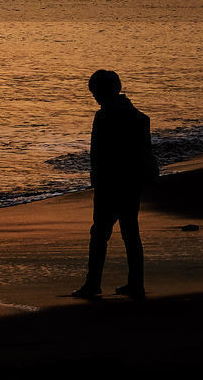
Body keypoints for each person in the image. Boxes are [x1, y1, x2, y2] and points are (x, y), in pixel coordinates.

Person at [71, 69, 157, 300]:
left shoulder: (104, 117)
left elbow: (98, 154)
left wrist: (96, 179)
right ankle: (135, 283)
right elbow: (145, 151)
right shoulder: (137, 116)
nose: (94, 97)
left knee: (99, 234)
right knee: (130, 232)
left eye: (95, 92)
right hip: (131, 182)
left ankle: (93, 284)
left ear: (102, 91)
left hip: (111, 183)